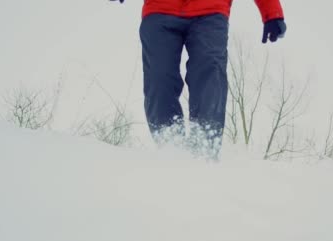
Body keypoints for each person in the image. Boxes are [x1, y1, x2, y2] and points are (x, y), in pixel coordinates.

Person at [111, 0, 287, 159]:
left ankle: (205, 149)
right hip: (160, 10)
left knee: (210, 75)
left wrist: (271, 12)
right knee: (159, 78)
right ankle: (170, 148)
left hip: (210, 11)